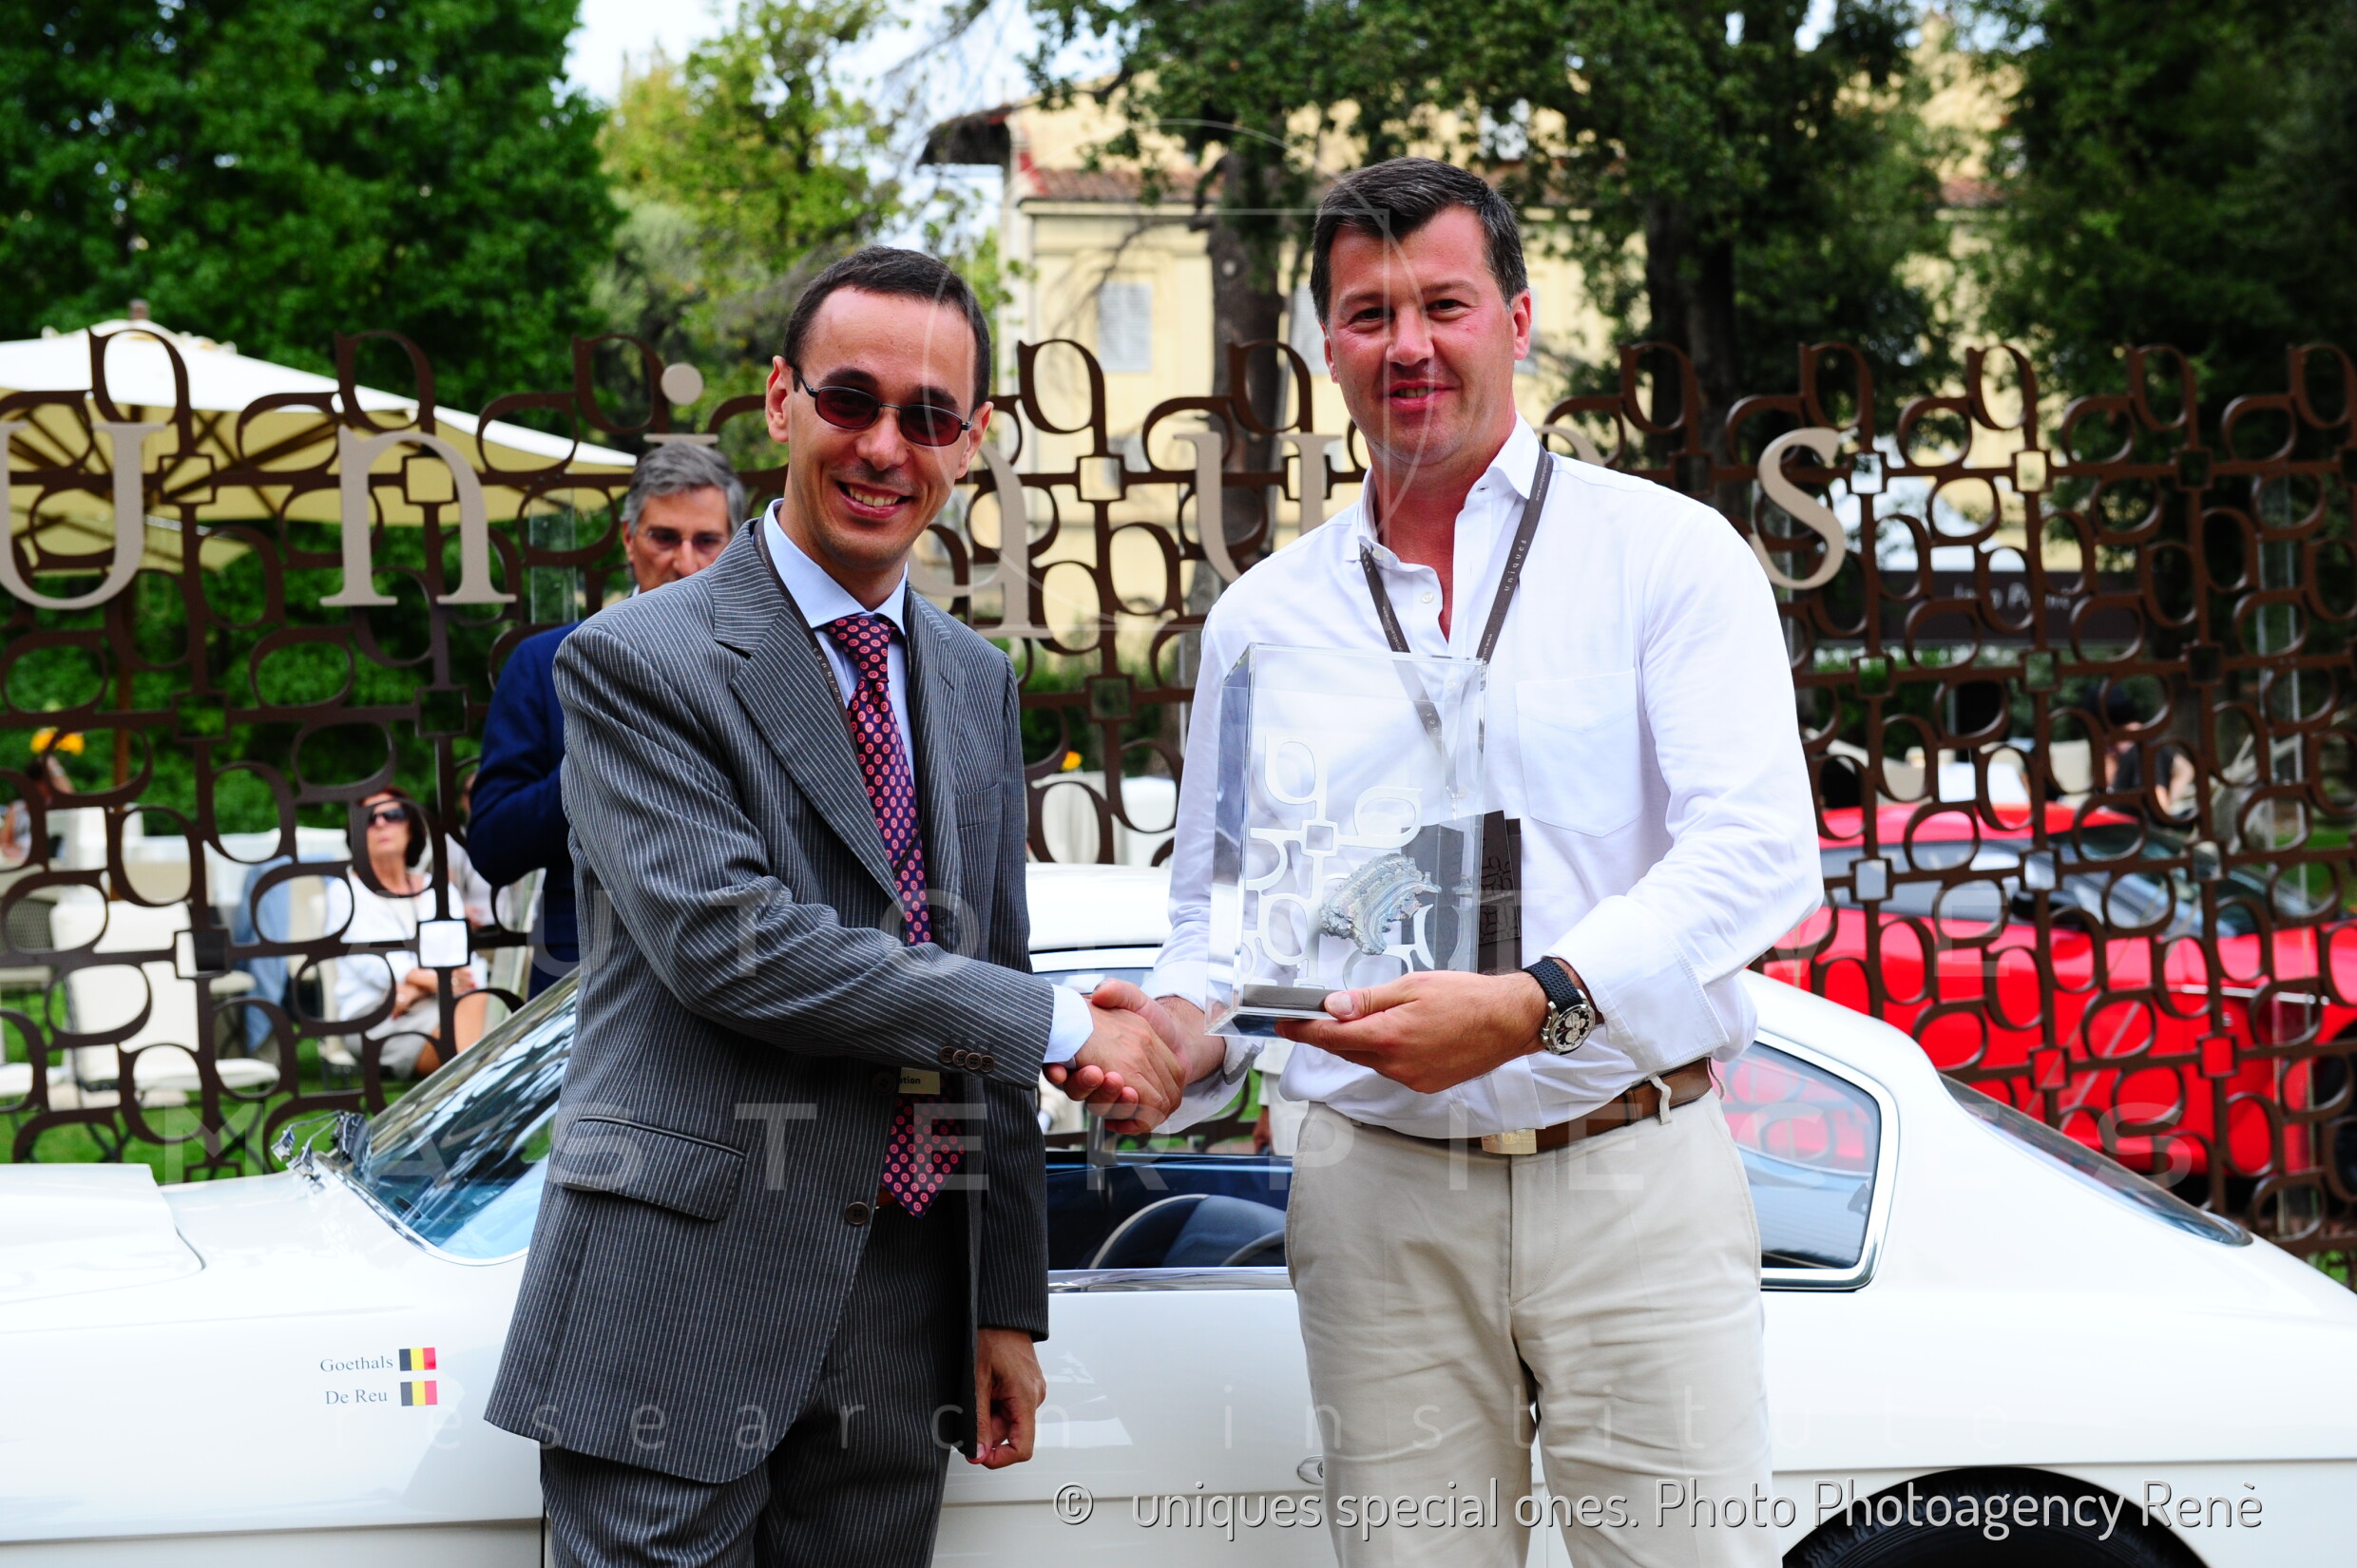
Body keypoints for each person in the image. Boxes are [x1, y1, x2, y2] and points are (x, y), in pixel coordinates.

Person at [1113, 160, 1821, 1568]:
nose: (1409, 346)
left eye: (1443, 304)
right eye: (1369, 314)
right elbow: (1224, 921)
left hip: (1630, 1168)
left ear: (1518, 318)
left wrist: (1533, 1003)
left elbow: (1757, 857)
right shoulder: (1264, 618)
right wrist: (1179, 1033)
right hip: (1376, 1195)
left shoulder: (1665, 556)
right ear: (1327, 345)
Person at [485, 246, 1186, 1568]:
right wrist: (1057, 1024)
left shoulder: (973, 681)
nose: (882, 446)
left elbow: (988, 965)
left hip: (903, 1318)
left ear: (970, 440)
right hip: (678, 1304)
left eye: (927, 415)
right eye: (850, 399)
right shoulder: (634, 661)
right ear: (780, 401)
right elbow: (734, 947)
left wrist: (1002, 1302)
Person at [468, 442, 743, 995]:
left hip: (741, 961)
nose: (685, 562)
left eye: (706, 541)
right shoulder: (545, 662)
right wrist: (599, 757)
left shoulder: (767, 662)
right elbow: (493, 847)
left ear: (734, 544)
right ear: (628, 539)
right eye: (664, 537)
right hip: (584, 982)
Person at [329, 789, 494, 1079]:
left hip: (438, 1001)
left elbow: (461, 960)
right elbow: (370, 960)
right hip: (381, 1012)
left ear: (411, 826)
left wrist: (414, 989)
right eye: (369, 818)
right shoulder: (344, 891)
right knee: (478, 1027)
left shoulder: (439, 889)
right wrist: (436, 981)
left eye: (392, 815)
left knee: (480, 1008)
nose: (381, 823)